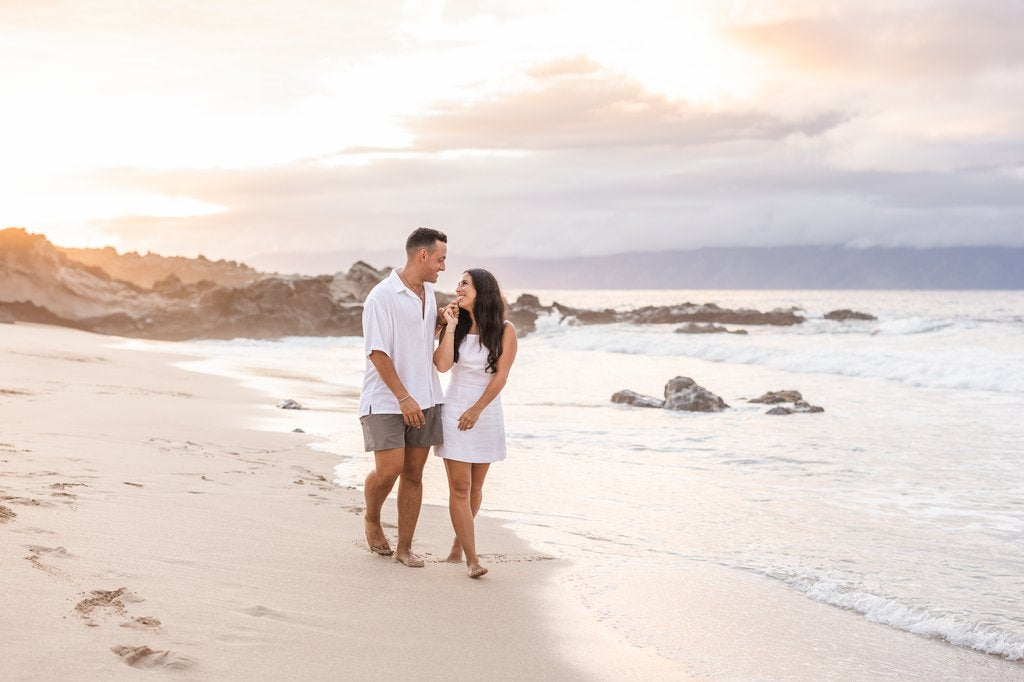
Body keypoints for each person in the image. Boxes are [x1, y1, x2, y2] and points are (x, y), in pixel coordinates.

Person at [360, 228, 448, 568]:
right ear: (422, 255)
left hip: (427, 397)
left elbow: (418, 345)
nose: (443, 267)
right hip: (386, 400)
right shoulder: (381, 297)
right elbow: (378, 353)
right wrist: (403, 398)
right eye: (440, 259)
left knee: (414, 473)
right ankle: (371, 518)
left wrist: (440, 324)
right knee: (389, 471)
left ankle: (405, 547)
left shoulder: (427, 293)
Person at [433, 269, 518, 578]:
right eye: (458, 283)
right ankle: (472, 559)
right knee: (460, 486)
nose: (458, 288)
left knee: (476, 487)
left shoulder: (505, 330)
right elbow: (442, 366)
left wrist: (478, 409)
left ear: (482, 290)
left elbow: (501, 377)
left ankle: (458, 546)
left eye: (464, 283)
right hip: (455, 408)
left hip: (486, 412)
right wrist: (450, 326)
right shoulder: (457, 325)